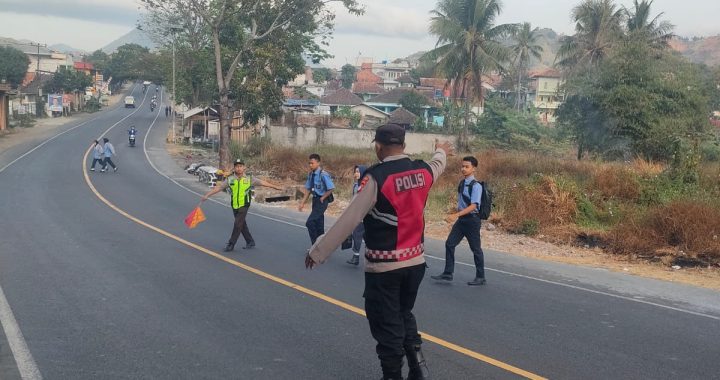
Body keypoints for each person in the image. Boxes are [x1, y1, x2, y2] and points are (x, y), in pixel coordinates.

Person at [305, 124, 453, 380]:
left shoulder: (377, 178)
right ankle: (418, 368)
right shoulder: (423, 170)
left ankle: (392, 375)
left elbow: (350, 219)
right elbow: (438, 163)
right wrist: (441, 150)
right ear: (404, 146)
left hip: (385, 268)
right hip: (416, 263)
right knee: (403, 314)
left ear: (378, 147)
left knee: (387, 326)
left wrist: (318, 251)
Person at [201, 159, 283, 252]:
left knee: (237, 224)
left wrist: (275, 187)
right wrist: (207, 195)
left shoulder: (249, 178)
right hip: (235, 205)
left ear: (244, 167)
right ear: (234, 168)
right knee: (241, 224)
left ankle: (231, 244)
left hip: (244, 204)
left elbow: (263, 183)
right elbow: (219, 188)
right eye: (237, 166)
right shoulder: (230, 179)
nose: (239, 168)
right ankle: (250, 241)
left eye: (240, 166)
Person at [431, 156, 486, 286]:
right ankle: (448, 273)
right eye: (462, 166)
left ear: (474, 169)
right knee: (450, 244)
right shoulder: (462, 183)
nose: (463, 169)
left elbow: (474, 206)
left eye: (467, 167)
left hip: (472, 221)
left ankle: (481, 276)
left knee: (476, 249)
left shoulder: (476, 186)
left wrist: (456, 215)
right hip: (462, 220)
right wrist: (457, 214)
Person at [298, 154, 335, 246]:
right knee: (319, 224)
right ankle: (322, 246)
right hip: (315, 201)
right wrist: (302, 203)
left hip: (322, 201)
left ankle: (315, 246)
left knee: (310, 222)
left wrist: (323, 197)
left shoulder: (323, 174)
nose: (310, 165)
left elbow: (331, 188)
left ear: (318, 163)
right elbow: (308, 190)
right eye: (309, 163)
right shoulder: (311, 174)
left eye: (312, 163)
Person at [347, 164, 367, 266]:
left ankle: (356, 257)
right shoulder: (356, 185)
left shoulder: (365, 186)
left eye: (358, 171)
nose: (356, 173)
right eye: (356, 171)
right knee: (360, 235)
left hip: (362, 216)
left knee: (357, 235)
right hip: (356, 214)